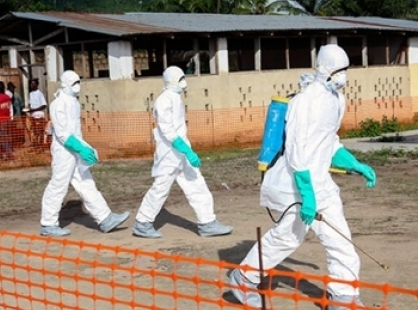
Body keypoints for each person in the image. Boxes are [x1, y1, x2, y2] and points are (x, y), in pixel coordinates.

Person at [228, 45, 376, 310]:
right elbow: (297, 152)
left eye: (346, 70)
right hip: (295, 183)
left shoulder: (337, 100)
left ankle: (343, 297)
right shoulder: (304, 102)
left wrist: (355, 164)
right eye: (340, 70)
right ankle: (243, 277)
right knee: (287, 238)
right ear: (327, 70)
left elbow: (330, 143)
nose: (344, 76)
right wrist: (307, 195)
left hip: (322, 184)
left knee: (340, 238)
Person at [132, 66, 232, 239]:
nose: (184, 82)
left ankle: (207, 223)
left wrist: (187, 150)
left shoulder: (175, 98)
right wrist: (186, 150)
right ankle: (143, 223)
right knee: (160, 188)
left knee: (197, 184)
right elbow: (168, 130)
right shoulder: (164, 100)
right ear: (172, 80)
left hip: (182, 152)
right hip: (169, 154)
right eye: (181, 78)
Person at [40, 70, 129, 237]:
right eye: (73, 82)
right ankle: (48, 223)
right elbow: (62, 133)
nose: (77, 85)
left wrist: (83, 147)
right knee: (58, 185)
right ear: (65, 84)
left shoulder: (73, 102)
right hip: (64, 151)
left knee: (86, 183)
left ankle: (105, 218)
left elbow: (74, 131)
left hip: (75, 149)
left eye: (78, 81)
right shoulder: (58, 104)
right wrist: (80, 147)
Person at [26, 79, 47, 150]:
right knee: (34, 131)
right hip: (33, 116)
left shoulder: (40, 94)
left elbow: (44, 105)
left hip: (39, 115)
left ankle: (41, 147)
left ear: (37, 85)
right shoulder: (31, 94)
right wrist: (28, 108)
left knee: (40, 131)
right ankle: (36, 146)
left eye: (33, 84)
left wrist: (34, 109)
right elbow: (30, 103)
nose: (31, 85)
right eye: (31, 84)